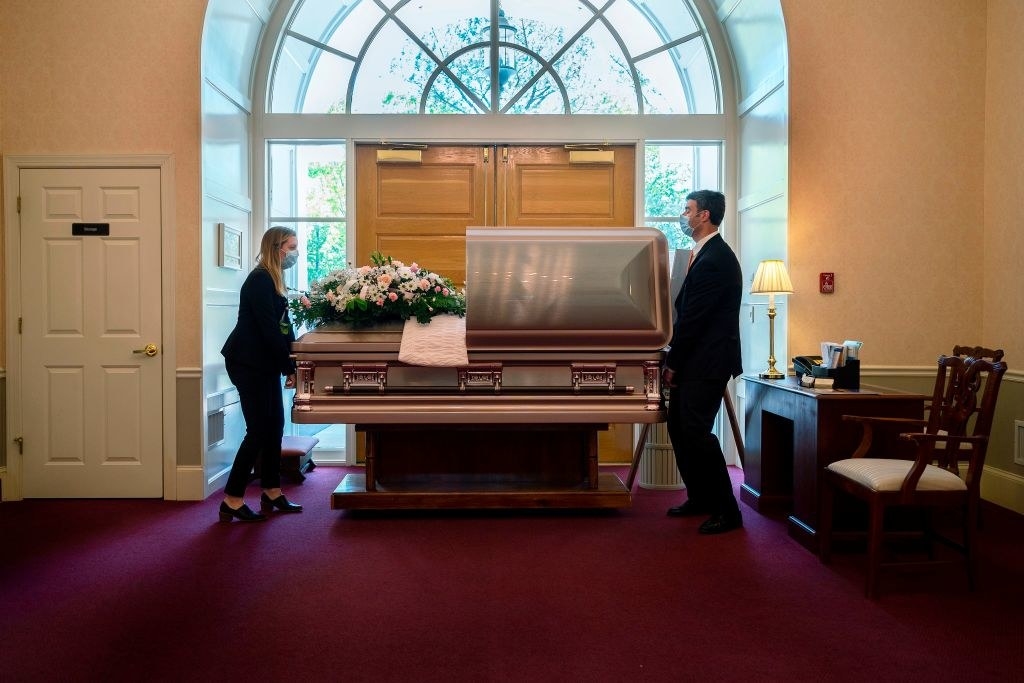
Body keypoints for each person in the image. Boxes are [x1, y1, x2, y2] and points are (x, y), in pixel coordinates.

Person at [662, 190, 744, 535]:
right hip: (696, 360)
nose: (684, 215)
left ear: (704, 215)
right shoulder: (701, 254)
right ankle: (699, 497)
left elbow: (693, 320)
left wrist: (673, 362)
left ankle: (728, 511)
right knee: (678, 429)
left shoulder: (715, 260)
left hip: (706, 362)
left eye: (688, 210)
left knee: (696, 432)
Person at [219, 226, 304, 522]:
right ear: (276, 247)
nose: (295, 253)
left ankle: (271, 490)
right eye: (291, 247)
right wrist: (287, 367)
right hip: (248, 362)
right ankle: (232, 498)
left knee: (275, 426)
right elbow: (269, 330)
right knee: (257, 430)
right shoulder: (259, 280)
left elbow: (283, 326)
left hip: (264, 362)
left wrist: (292, 362)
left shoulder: (274, 281)